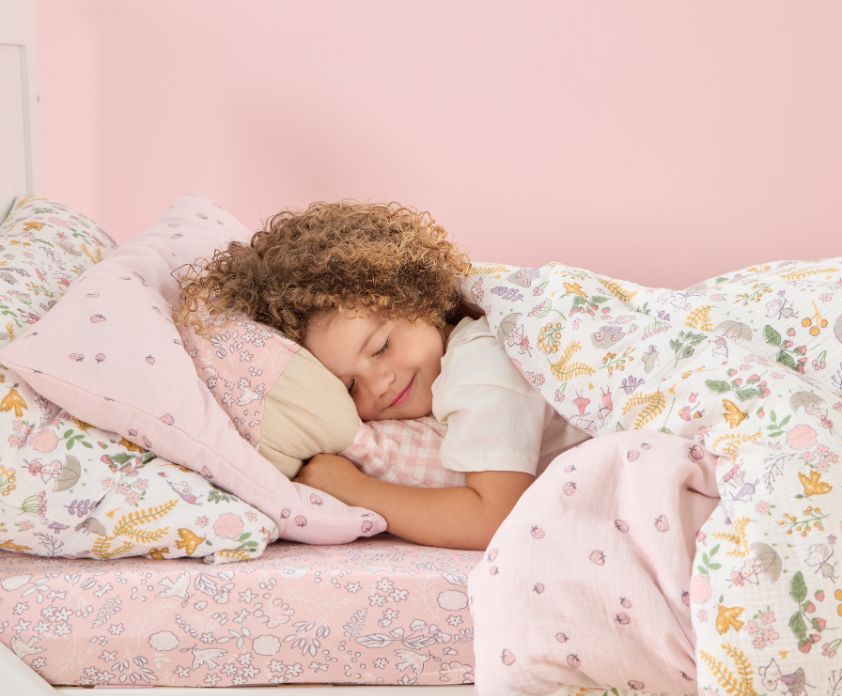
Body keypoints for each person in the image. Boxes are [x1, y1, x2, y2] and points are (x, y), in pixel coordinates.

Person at [176, 201, 588, 550]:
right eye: (349, 386)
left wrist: (355, 489)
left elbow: (495, 518)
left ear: (420, 299)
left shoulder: (481, 365)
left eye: (380, 347)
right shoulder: (451, 364)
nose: (379, 384)